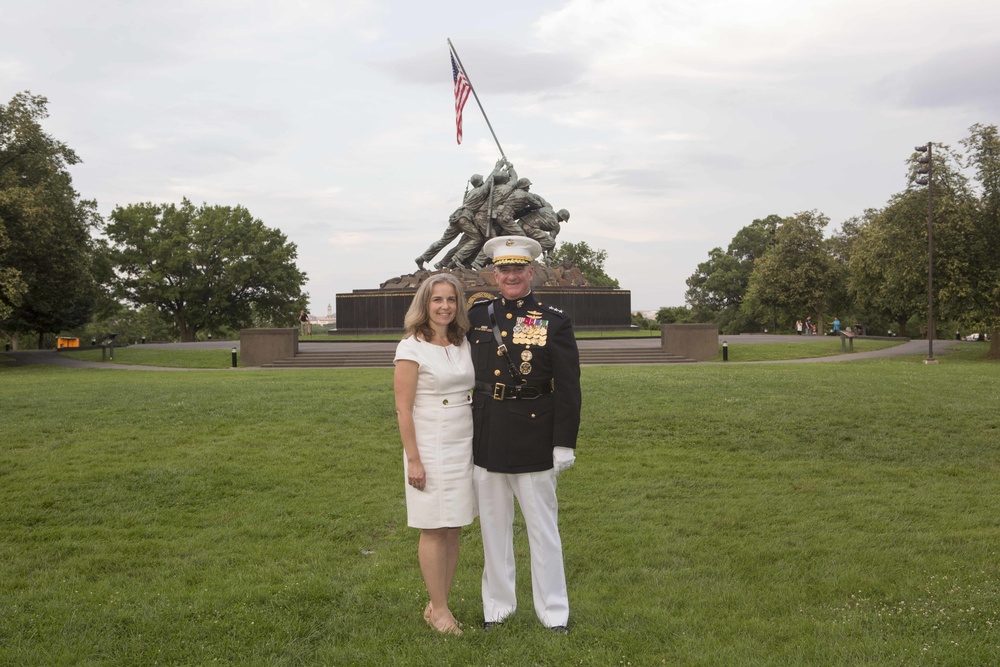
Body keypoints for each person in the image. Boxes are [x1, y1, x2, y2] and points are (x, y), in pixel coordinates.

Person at [466, 236, 582, 634]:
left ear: (531, 271)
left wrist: (564, 441)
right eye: (503, 269)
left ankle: (554, 614)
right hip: (488, 434)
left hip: (535, 433)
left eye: (518, 269)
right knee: (493, 529)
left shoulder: (554, 319)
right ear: (493, 274)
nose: (511, 276)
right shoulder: (478, 317)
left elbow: (569, 385)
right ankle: (497, 608)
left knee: (542, 530)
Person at [393, 273, 477, 635]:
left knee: (454, 525)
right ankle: (441, 612)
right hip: (429, 443)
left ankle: (436, 603)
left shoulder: (462, 342)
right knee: (434, 528)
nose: (445, 306)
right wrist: (414, 459)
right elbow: (403, 408)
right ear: (424, 304)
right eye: (437, 300)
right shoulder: (410, 347)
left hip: (463, 441)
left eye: (451, 299)